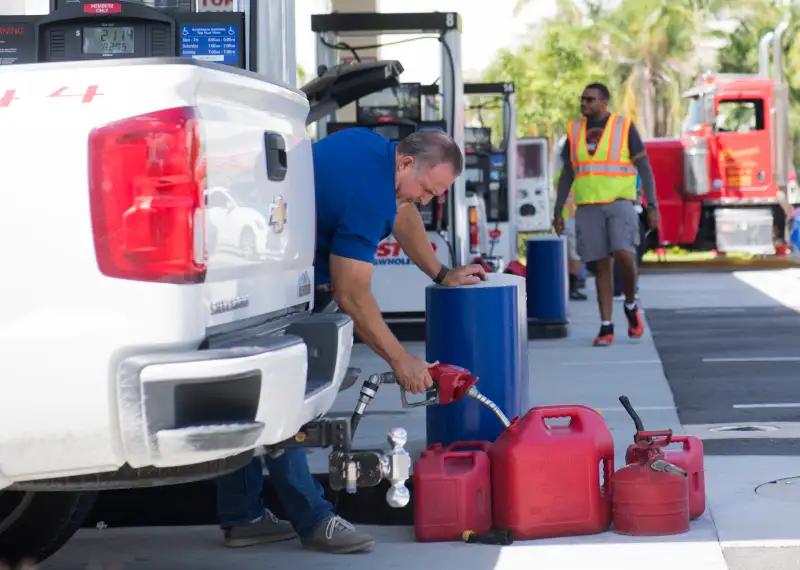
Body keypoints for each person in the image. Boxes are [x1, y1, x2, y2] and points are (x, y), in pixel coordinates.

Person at [214, 128, 487, 553]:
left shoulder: (369, 147)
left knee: (244, 396)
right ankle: (315, 519)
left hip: (241, 276)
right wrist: (401, 361)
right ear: (405, 164)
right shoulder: (369, 197)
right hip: (276, 286)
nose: (428, 199)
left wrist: (441, 273)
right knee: (288, 402)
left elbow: (402, 210)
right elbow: (352, 294)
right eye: (428, 189)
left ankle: (243, 516)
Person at [552, 82, 659, 346]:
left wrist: (652, 204)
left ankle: (631, 305)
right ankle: (606, 326)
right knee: (600, 266)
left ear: (604, 102)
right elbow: (568, 173)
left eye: (590, 99)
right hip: (588, 206)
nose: (584, 104)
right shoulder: (575, 130)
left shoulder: (623, 127)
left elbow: (644, 166)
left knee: (624, 253)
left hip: (620, 202)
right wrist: (558, 209)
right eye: (582, 99)